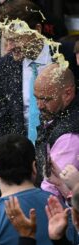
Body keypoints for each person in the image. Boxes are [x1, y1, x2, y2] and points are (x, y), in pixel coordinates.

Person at [0, 0, 55, 168]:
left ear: (37, 30)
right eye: (6, 40)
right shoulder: (5, 66)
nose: (8, 48)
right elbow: (4, 121)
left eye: (15, 40)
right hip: (22, 166)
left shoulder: (67, 57)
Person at [34, 63, 79, 199]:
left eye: (46, 99)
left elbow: (51, 193)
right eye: (36, 98)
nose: (39, 106)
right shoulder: (58, 113)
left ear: (68, 93)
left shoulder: (69, 137)